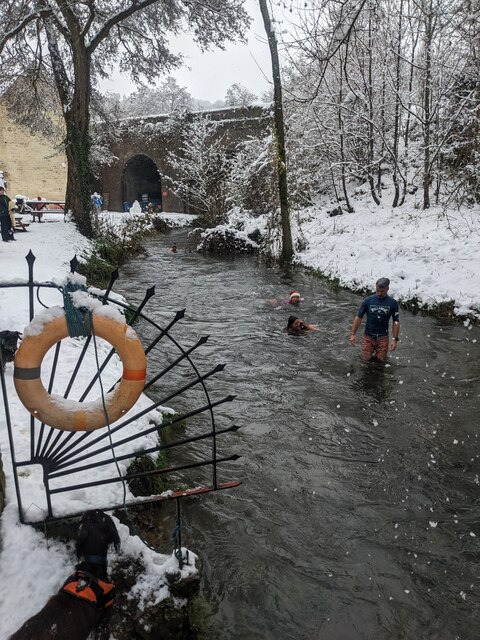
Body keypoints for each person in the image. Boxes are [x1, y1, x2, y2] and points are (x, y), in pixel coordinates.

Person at [350, 277, 400, 361]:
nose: (379, 293)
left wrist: (395, 339)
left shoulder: (393, 303)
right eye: (377, 290)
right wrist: (353, 334)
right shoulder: (368, 301)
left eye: (382, 291)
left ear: (387, 289)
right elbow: (359, 317)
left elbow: (396, 322)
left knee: (381, 360)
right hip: (368, 336)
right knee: (365, 359)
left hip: (383, 337)